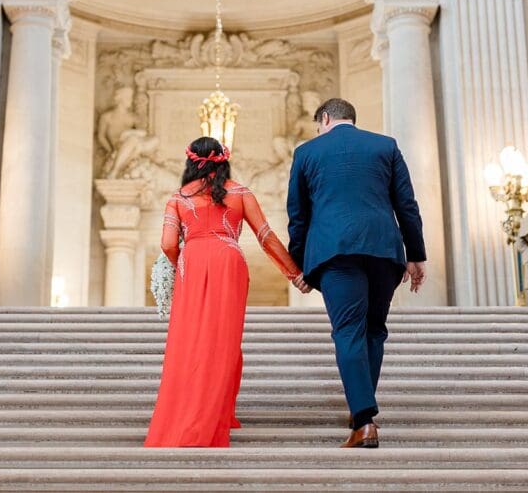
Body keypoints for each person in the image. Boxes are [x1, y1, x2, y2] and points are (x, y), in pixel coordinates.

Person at [144, 137, 309, 448]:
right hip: (229, 262)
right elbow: (266, 237)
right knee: (225, 340)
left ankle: (189, 414)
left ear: (191, 162)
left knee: (189, 339)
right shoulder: (241, 193)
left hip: (192, 263)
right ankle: (219, 412)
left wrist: (181, 264)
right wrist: (295, 273)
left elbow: (167, 244)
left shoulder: (177, 198)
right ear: (223, 160)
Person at [286, 98, 426, 449]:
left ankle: (364, 421)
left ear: (326, 119)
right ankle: (360, 407)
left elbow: (298, 215)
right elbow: (406, 205)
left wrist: (299, 263)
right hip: (384, 250)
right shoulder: (386, 146)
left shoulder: (306, 153)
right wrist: (416, 255)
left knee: (348, 330)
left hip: (335, 252)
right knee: (374, 329)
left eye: (319, 125)